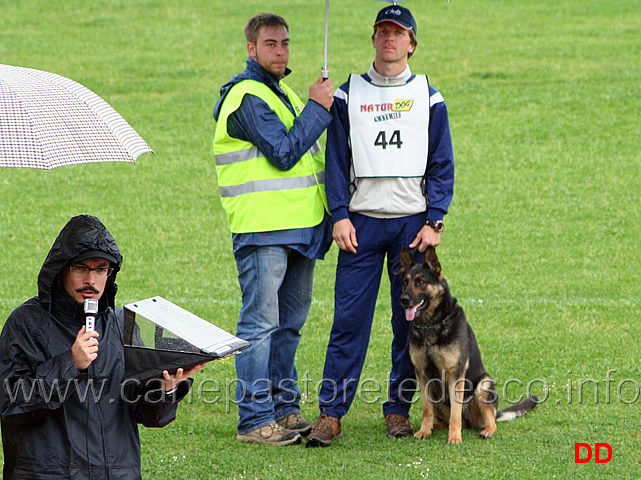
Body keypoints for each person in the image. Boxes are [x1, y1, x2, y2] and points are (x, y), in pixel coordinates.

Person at [306, 4, 455, 447]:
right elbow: (335, 161)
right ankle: (331, 414)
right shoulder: (349, 94)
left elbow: (442, 162)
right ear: (373, 39)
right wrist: (339, 215)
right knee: (349, 321)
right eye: (382, 31)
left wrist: (436, 221)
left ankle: (397, 408)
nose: (389, 39)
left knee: (408, 322)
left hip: (412, 228)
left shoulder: (429, 96)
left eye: (398, 33)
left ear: (412, 43)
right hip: (361, 227)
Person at [0, 215, 206, 479]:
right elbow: (9, 403)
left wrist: (166, 390)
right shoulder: (27, 323)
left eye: (100, 270)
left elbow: (148, 416)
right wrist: (69, 364)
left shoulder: (120, 323)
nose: (91, 280)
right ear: (62, 269)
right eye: (81, 268)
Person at [212, 12, 334, 446]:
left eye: (285, 43)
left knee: (289, 326)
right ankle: (254, 419)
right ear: (251, 49)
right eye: (270, 44)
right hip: (264, 231)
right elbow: (283, 152)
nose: (280, 51)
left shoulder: (282, 95)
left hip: (301, 230)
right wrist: (319, 106)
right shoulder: (246, 97)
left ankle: (284, 410)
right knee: (260, 325)